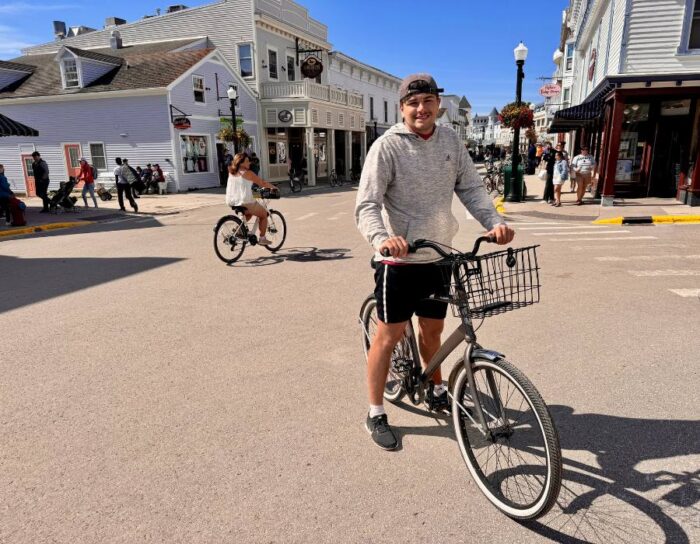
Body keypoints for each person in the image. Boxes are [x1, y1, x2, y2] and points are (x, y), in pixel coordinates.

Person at [355, 73, 514, 451]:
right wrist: (383, 239)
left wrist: (494, 223)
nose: (421, 109)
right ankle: (375, 411)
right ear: (402, 108)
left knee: (432, 331)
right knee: (388, 336)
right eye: (413, 103)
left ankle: (438, 388)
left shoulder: (450, 141)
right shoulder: (387, 147)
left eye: (427, 101)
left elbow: (472, 188)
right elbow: (367, 204)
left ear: (438, 105)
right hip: (400, 262)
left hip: (440, 257)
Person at [225, 152, 278, 245]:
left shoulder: (231, 172)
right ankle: (262, 238)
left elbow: (241, 187)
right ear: (240, 163)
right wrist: (274, 188)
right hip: (245, 201)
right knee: (264, 214)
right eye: (247, 161)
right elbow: (262, 183)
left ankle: (238, 230)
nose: (249, 163)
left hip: (232, 201)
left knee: (248, 214)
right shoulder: (248, 173)